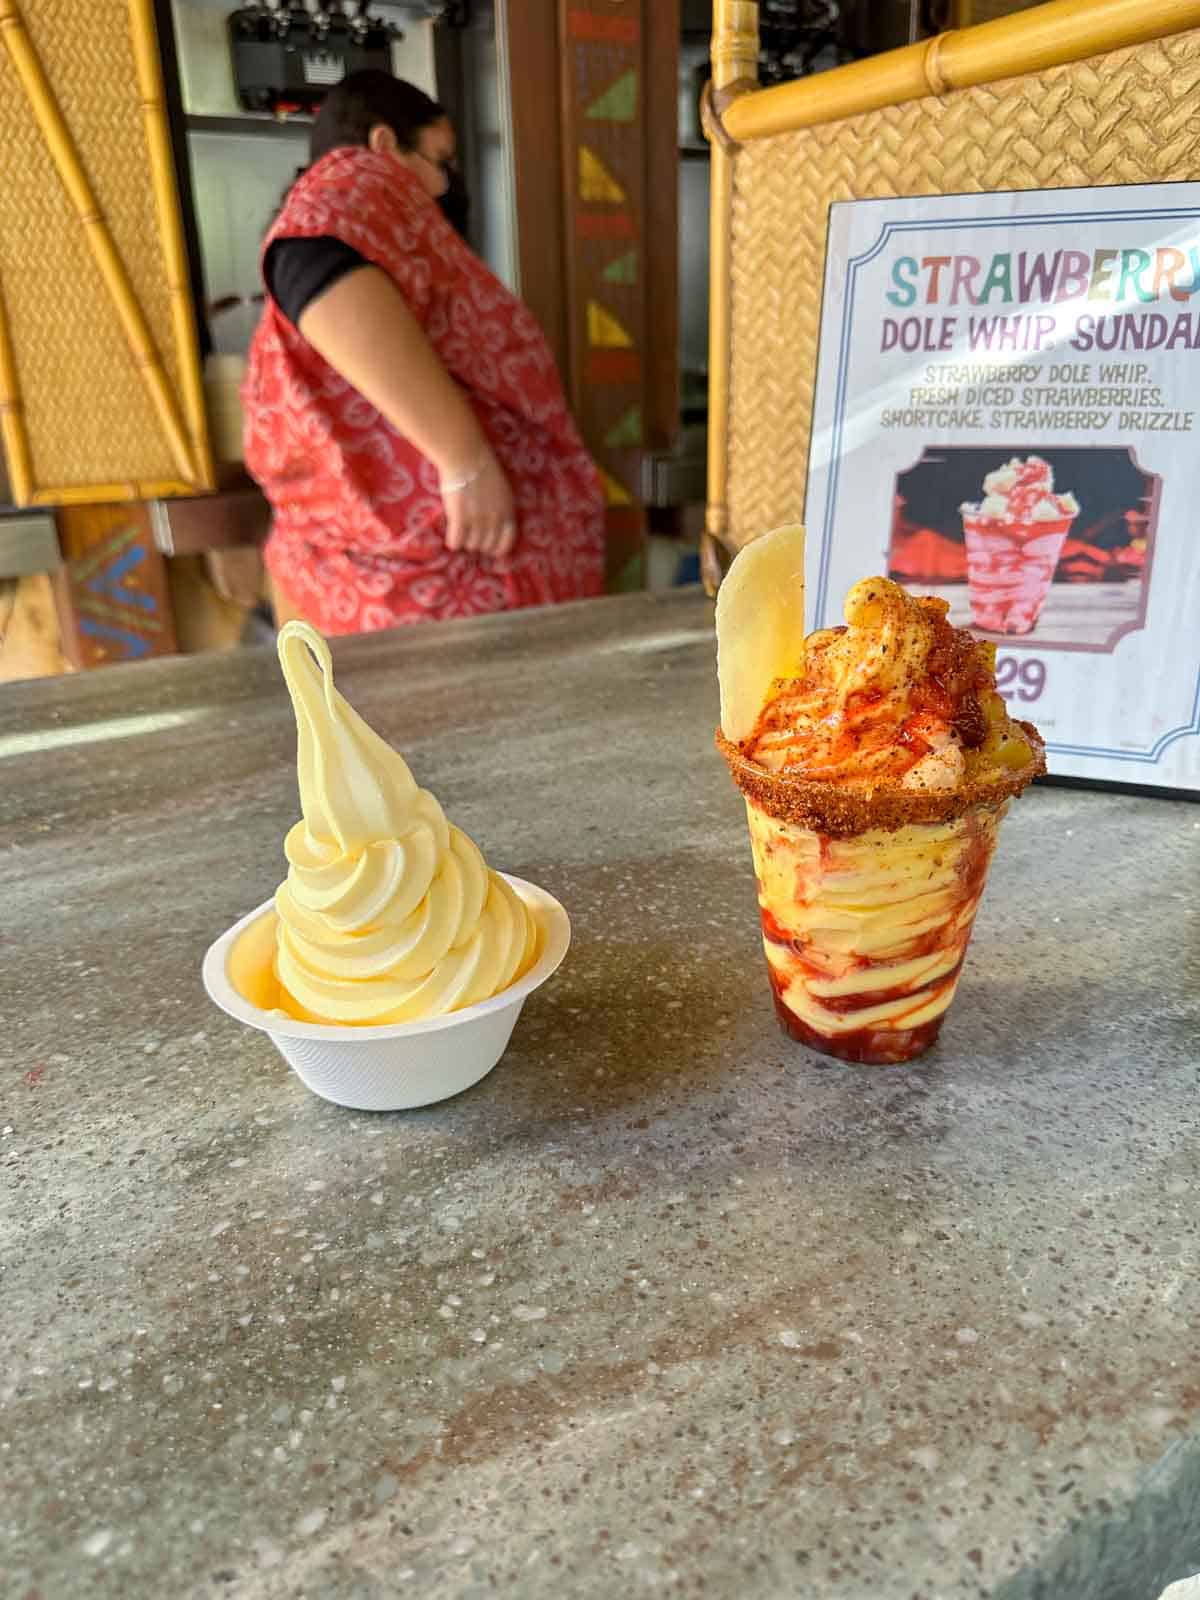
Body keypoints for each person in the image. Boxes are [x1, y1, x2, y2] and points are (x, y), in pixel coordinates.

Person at [242, 71, 606, 634]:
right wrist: (465, 461)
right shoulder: (356, 177)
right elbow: (312, 260)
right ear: (386, 144)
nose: (444, 185)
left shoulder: (380, 215)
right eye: (440, 159)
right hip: (429, 586)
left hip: (415, 581)